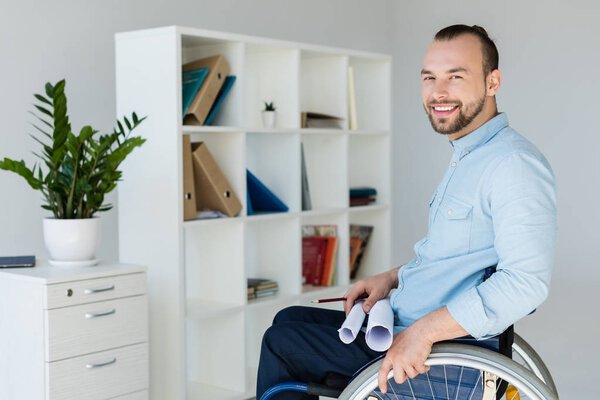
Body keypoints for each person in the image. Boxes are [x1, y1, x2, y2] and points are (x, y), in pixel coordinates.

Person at [256, 24, 556, 399]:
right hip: (407, 325)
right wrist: (393, 278)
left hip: (440, 356)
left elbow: (526, 284)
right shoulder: (470, 157)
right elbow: (459, 260)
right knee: (289, 319)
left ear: (492, 82)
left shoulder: (513, 164)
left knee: (281, 342)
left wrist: (423, 332)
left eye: (455, 77)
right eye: (429, 77)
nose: (438, 92)